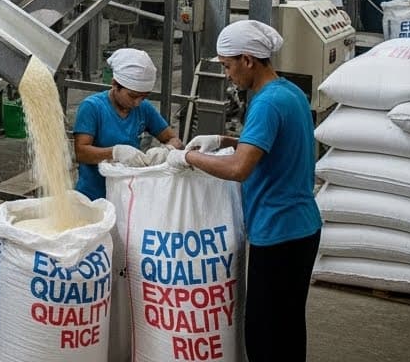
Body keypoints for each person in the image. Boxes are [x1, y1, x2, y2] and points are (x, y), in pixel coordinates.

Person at [167, 20, 321, 362]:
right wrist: (223, 140)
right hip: (304, 228)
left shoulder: (265, 103)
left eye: (227, 66)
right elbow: (271, 145)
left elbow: (239, 168)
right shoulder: (290, 92)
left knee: (264, 334)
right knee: (289, 327)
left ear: (248, 60)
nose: (227, 75)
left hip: (278, 232)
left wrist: (188, 157)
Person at [72, 48, 182, 200]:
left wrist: (166, 150)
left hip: (129, 195)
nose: (137, 103)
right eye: (133, 96)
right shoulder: (92, 107)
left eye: (143, 97)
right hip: (94, 197)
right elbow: (81, 152)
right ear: (115, 85)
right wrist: (115, 153)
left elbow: (174, 140)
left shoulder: (144, 108)